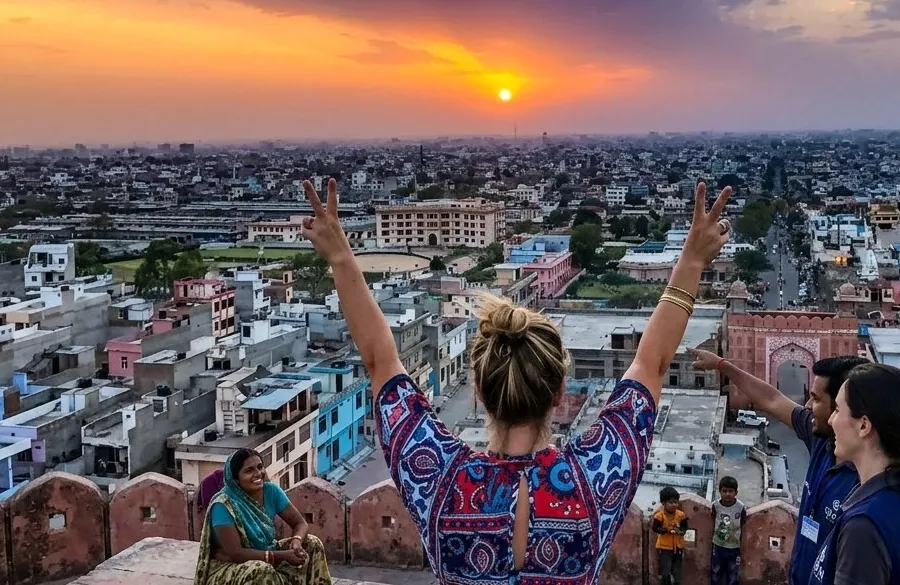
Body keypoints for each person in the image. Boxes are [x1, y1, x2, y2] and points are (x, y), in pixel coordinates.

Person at [299, 178, 732, 584]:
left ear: (479, 389)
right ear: (559, 393)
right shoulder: (592, 479)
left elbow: (380, 361)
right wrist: (692, 261)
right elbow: (651, 364)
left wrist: (341, 256)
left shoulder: (443, 480)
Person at [689, 350, 867, 585]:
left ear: (840, 409)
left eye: (816, 399)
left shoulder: (868, 484)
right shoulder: (822, 440)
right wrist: (722, 365)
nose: (807, 405)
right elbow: (772, 400)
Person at [810, 363, 900, 585]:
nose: (831, 420)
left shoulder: (864, 525)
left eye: (838, 410)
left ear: (863, 425)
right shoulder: (884, 495)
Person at [193, 448, 332, 585]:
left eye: (260, 467)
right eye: (249, 470)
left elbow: (300, 523)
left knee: (312, 543)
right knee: (260, 570)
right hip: (228, 567)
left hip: (266, 551)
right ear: (235, 479)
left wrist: (296, 541)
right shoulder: (223, 505)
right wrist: (283, 556)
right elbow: (236, 554)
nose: (258, 474)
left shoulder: (271, 491)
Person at [711, 476, 746, 585]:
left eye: (730, 491)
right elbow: (713, 519)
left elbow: (742, 522)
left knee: (733, 574)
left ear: (736, 492)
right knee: (716, 572)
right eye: (724, 491)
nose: (727, 494)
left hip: (734, 547)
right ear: (719, 491)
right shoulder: (716, 506)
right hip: (718, 545)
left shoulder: (740, 507)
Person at [652, 487, 688, 585]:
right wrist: (666, 530)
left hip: (678, 547)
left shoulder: (681, 515)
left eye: (676, 502)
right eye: (671, 502)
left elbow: (685, 527)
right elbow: (655, 528)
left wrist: (681, 531)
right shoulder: (659, 516)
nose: (674, 505)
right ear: (663, 503)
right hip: (664, 548)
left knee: (677, 571)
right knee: (665, 571)